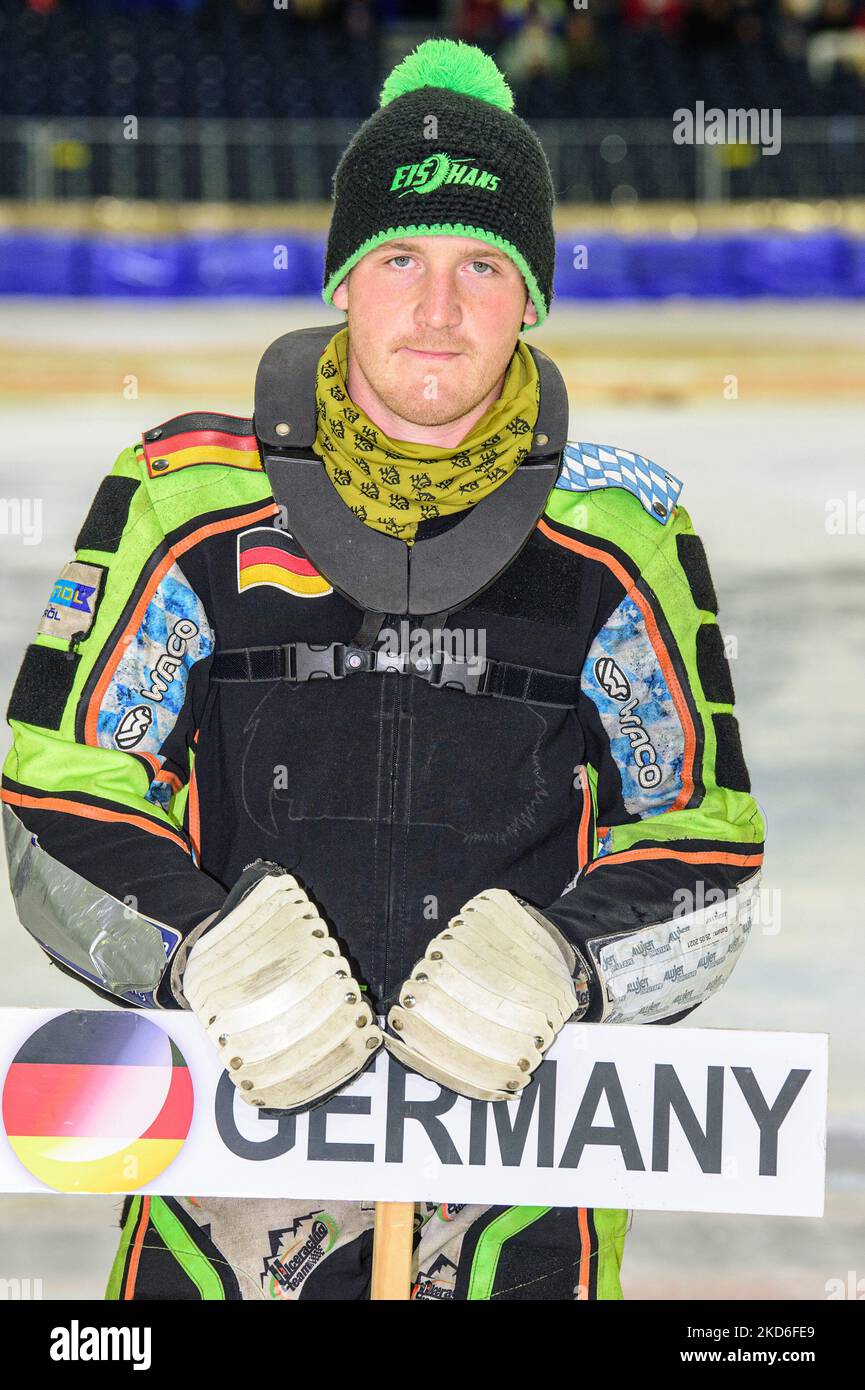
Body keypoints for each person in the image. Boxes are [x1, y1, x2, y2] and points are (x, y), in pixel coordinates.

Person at [1, 38, 764, 1301]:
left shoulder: (622, 531)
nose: (438, 307)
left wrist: (572, 964)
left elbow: (706, 841)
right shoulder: (184, 496)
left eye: (483, 266)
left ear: (531, 299)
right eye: (400, 259)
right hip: (223, 1182)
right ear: (344, 282)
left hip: (524, 1201)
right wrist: (195, 951)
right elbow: (55, 791)